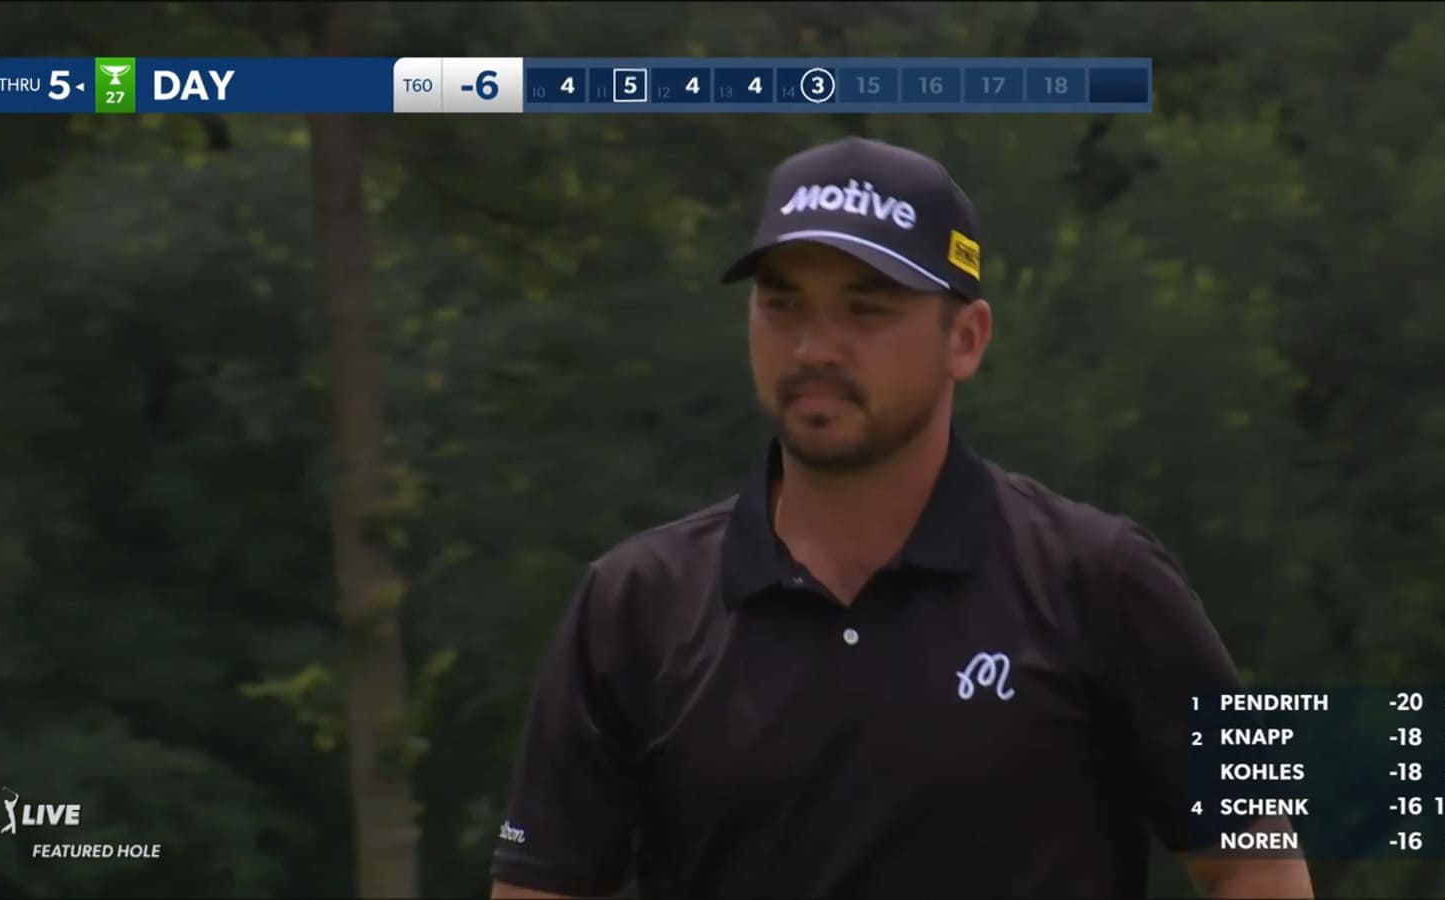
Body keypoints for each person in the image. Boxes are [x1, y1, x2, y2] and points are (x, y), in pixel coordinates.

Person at [488, 136, 1315, 899]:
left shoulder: (1103, 578)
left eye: (867, 309)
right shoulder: (633, 605)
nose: (814, 348)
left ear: (967, 339)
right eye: (783, 305)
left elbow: (1260, 863)